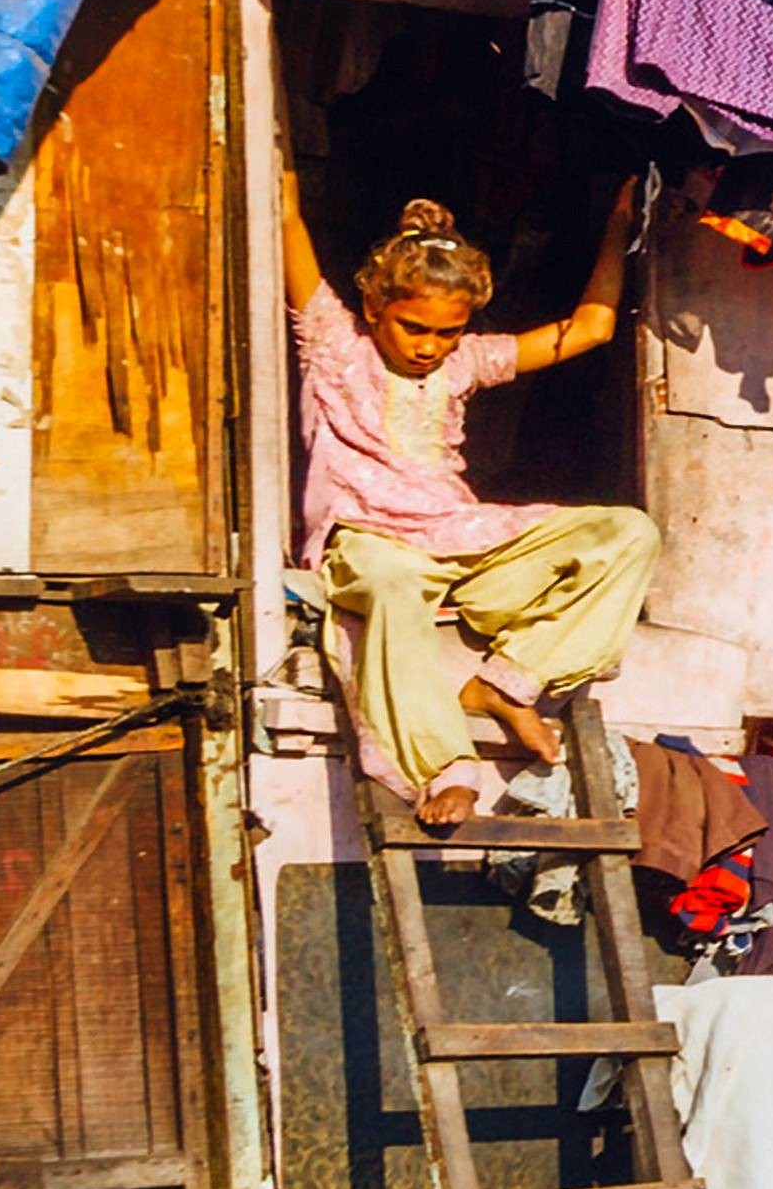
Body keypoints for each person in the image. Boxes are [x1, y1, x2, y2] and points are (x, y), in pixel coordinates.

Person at [278, 173, 660, 827]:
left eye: (447, 332)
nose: (429, 347)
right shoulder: (335, 345)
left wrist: (619, 221)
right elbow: (288, 218)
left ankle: (509, 683)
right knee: (394, 586)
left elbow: (592, 328)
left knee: (628, 533)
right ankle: (445, 769)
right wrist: (284, 160)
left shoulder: (466, 363)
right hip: (370, 546)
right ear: (373, 308)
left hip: (459, 540)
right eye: (414, 327)